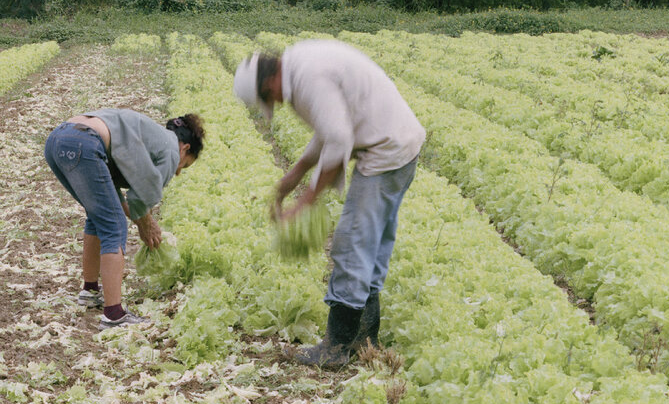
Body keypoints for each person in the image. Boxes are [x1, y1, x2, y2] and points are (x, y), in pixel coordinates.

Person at [238, 41, 427, 369]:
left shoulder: (307, 78)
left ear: (269, 84)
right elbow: (328, 130)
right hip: (400, 145)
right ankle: (365, 339)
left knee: (352, 243)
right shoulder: (300, 63)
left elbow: (338, 139)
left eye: (269, 100)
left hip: (386, 150)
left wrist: (306, 201)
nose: (276, 104)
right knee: (371, 244)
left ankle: (337, 347)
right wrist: (293, 178)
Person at [42, 108, 206, 326]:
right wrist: (146, 224)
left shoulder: (150, 137)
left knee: (99, 216)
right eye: (184, 166)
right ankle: (114, 314)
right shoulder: (171, 150)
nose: (178, 172)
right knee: (114, 227)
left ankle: (90, 292)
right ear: (185, 148)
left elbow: (118, 197)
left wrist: (142, 220)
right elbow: (142, 194)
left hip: (59, 139)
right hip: (85, 141)